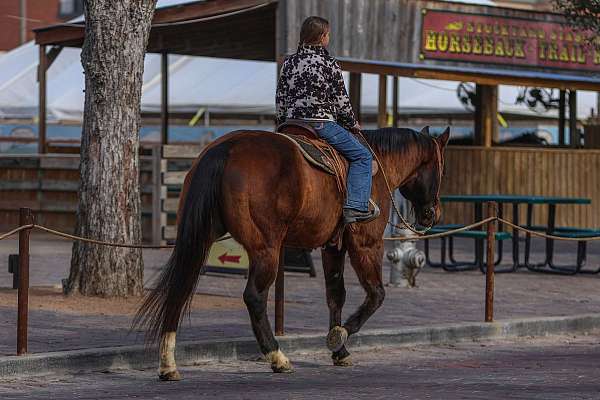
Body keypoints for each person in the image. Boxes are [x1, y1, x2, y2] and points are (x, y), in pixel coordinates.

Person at [276, 16, 378, 224]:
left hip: (291, 125)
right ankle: (355, 207)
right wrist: (351, 123)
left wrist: (281, 123)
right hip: (321, 124)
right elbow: (341, 99)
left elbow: (281, 98)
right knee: (363, 157)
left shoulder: (289, 62)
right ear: (322, 37)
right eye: (328, 34)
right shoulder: (329, 63)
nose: (328, 37)